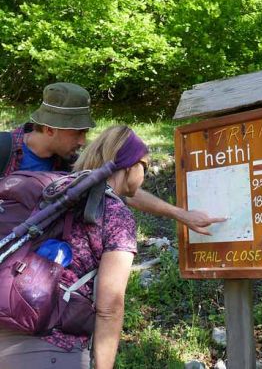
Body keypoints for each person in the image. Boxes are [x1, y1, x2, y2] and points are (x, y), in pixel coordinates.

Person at [0, 125, 150, 369]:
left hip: (6, 320)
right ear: (130, 165)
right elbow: (109, 307)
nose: (145, 175)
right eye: (145, 166)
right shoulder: (114, 213)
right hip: (51, 348)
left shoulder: (55, 192)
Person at [1, 82, 225, 234]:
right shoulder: (4, 149)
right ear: (50, 129)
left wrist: (181, 215)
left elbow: (118, 191)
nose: (82, 141)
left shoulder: (70, 166)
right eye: (77, 132)